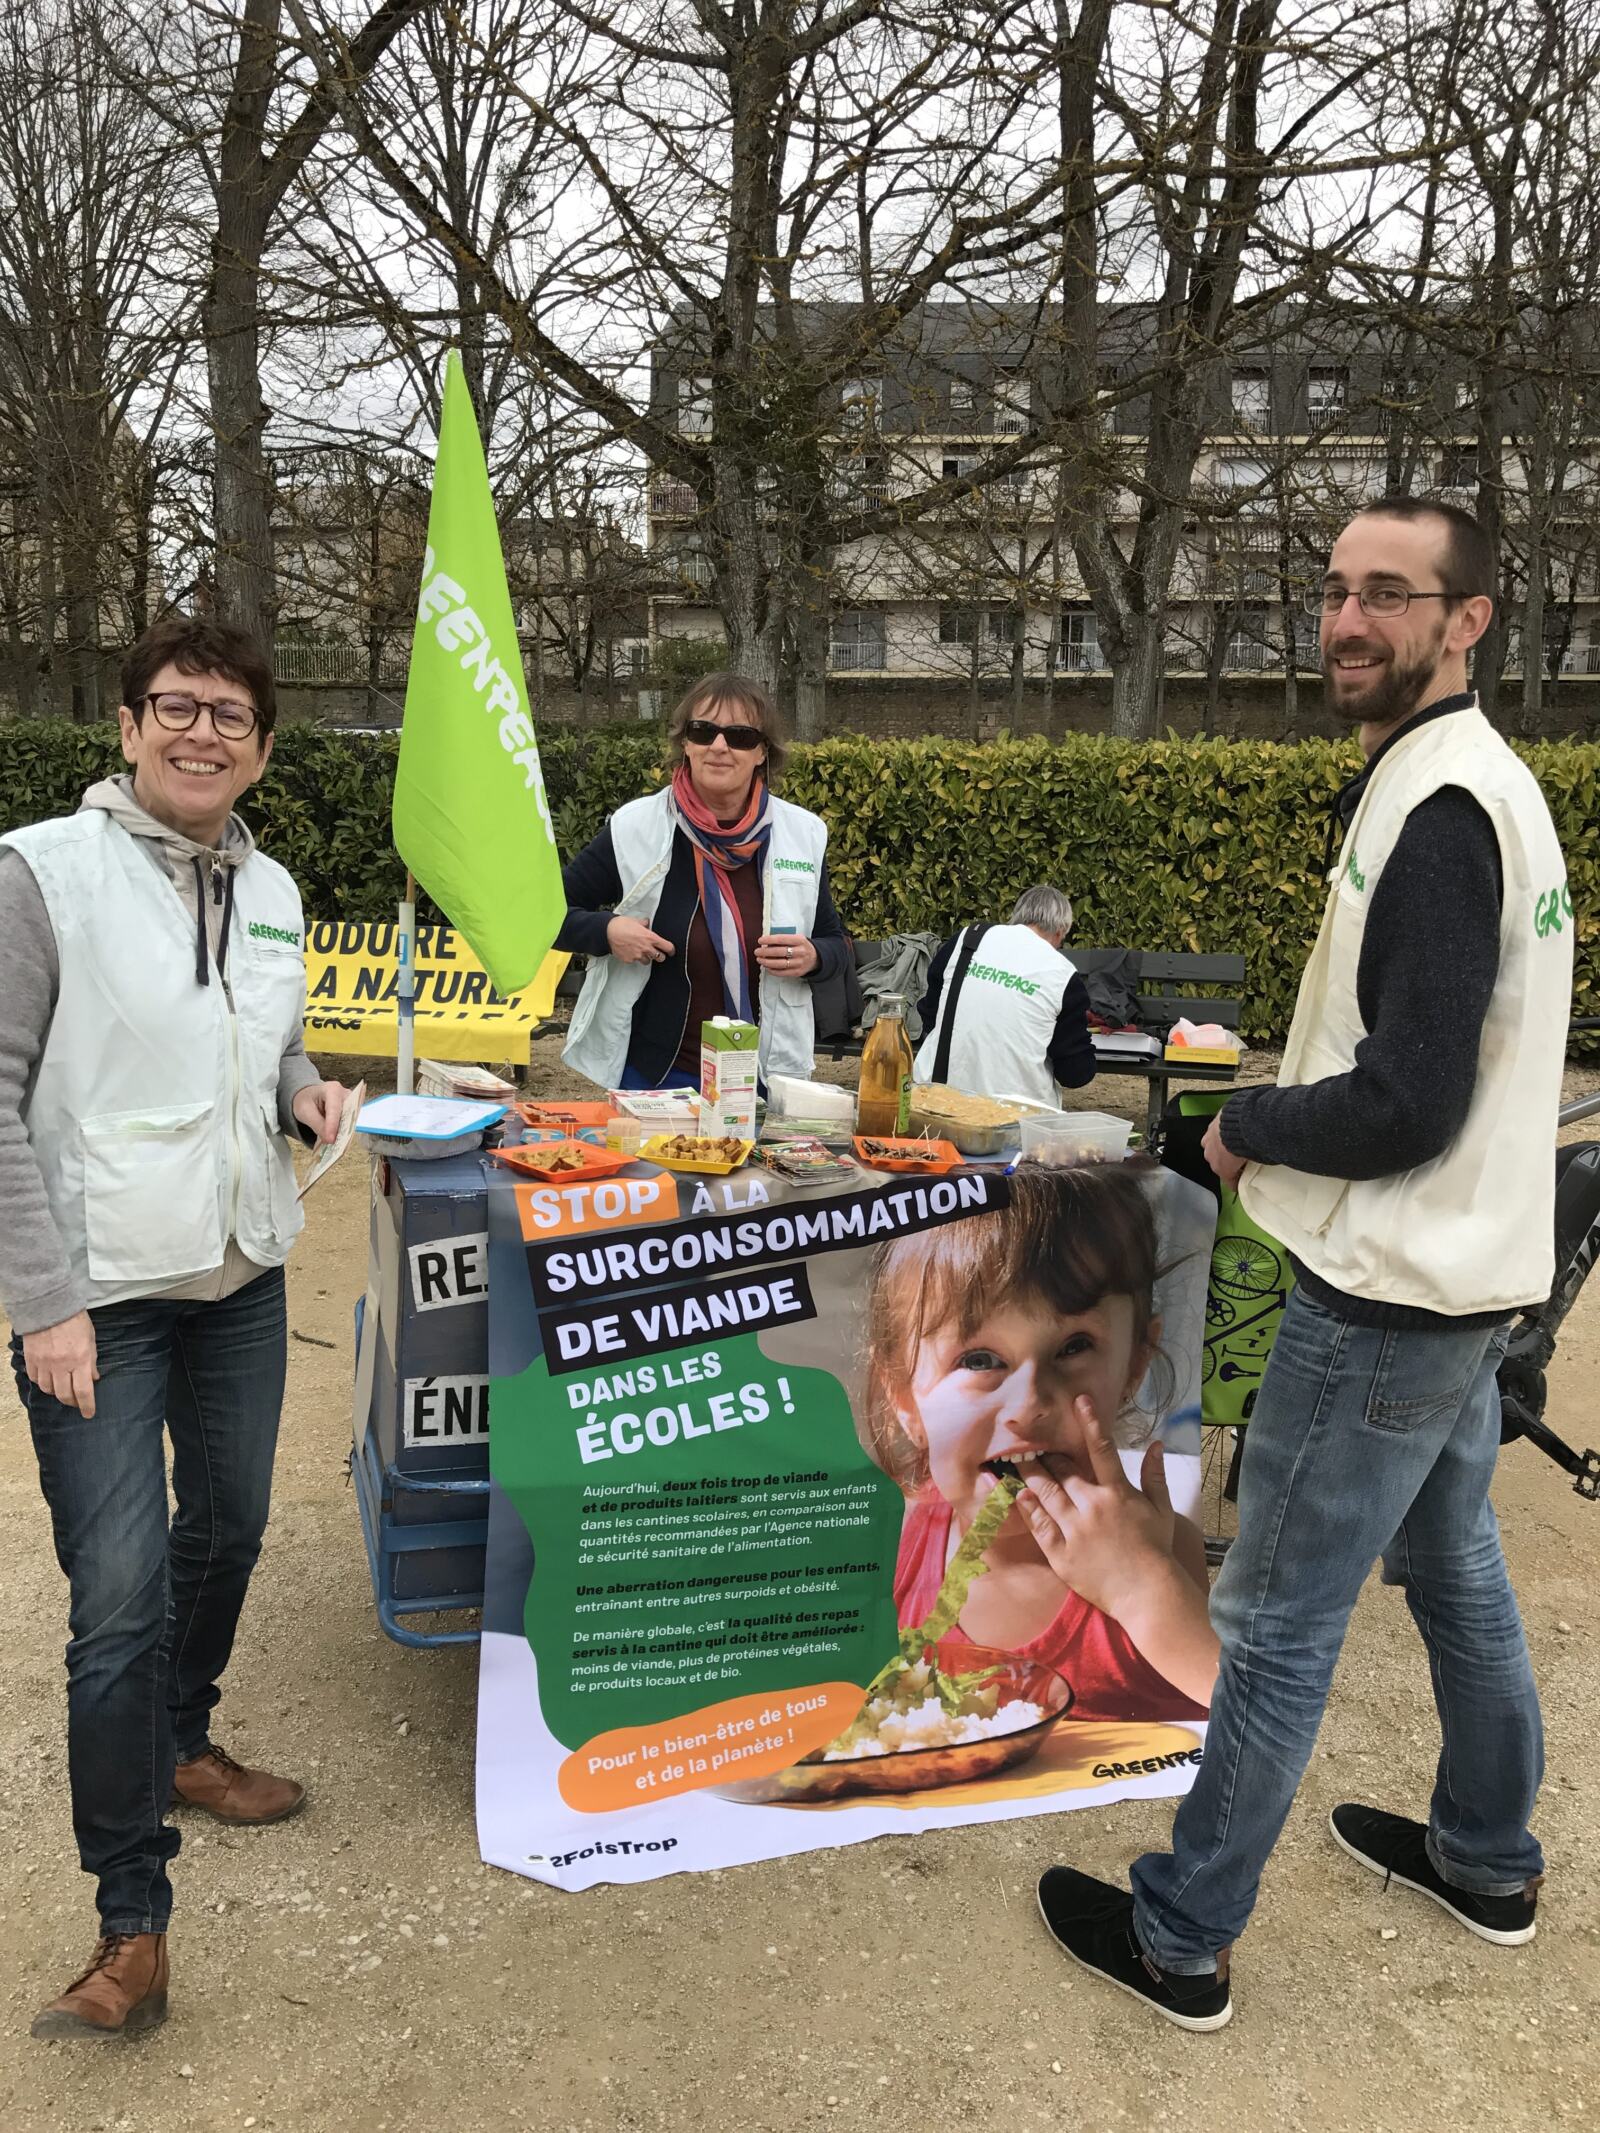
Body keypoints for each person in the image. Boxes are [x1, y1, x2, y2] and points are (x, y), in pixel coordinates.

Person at [1037, 496, 1572, 2032]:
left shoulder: (1445, 811)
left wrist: (1245, 1121)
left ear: (1467, 619)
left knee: (1272, 1620)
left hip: (1392, 1292)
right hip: (1468, 1281)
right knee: (1455, 1562)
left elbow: (1410, 1094)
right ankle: (1484, 1856)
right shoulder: (1478, 782)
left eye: (1389, 596)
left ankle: (1181, 1937)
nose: (1347, 620)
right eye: (1337, 590)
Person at [0, 617, 347, 2040]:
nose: (203, 734)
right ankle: (130, 1922)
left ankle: (187, 1736)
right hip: (99, 1305)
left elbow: (258, 1040)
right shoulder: (40, 875)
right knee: (120, 1601)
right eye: (177, 708)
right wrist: (45, 1303)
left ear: (262, 746)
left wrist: (302, 1092)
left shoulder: (273, 885)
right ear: (130, 724)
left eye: (231, 717)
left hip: (241, 1277)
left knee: (235, 1529)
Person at [861, 1164, 1218, 1722]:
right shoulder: (887, 1550)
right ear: (905, 1398)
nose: (1029, 1404)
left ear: (1134, 1365)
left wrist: (1139, 1587)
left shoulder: (1162, 1549)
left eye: (1074, 1347)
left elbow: (1247, 1721)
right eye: (979, 1360)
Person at [557, 672, 849, 1091]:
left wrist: (814, 957)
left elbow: (835, 942)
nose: (719, 746)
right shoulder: (635, 826)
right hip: (656, 1072)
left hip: (762, 1075)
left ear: (763, 752)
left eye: (740, 735)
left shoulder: (802, 834)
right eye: (703, 730)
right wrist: (607, 930)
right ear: (686, 744)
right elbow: (550, 915)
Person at [913, 885, 1095, 1107]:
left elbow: (930, 1010)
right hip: (1019, 1118)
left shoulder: (968, 938)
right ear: (1060, 932)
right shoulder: (1063, 975)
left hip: (936, 1097)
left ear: (1017, 916)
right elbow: (1075, 1074)